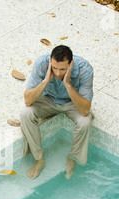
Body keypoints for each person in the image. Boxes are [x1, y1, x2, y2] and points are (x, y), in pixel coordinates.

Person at [19, 45, 94, 179]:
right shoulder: (41, 63)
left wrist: (67, 84)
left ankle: (73, 158)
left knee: (85, 121)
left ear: (71, 64)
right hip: (48, 99)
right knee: (25, 113)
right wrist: (46, 80)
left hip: (72, 102)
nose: (58, 73)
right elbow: (28, 100)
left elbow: (84, 110)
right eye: (54, 68)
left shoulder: (85, 69)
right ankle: (39, 159)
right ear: (50, 62)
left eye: (63, 69)